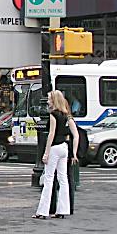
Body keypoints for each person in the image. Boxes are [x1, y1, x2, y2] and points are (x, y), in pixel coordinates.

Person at [33, 90, 79, 219]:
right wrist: (74, 153)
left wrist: (46, 152)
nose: (47, 101)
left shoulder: (53, 114)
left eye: (49, 99)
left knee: (48, 179)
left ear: (54, 100)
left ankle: (43, 211)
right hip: (64, 147)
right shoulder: (66, 115)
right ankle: (63, 210)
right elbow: (76, 135)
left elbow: (51, 134)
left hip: (54, 148)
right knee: (63, 179)